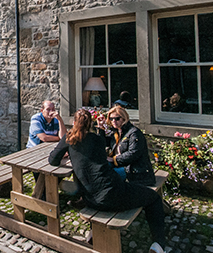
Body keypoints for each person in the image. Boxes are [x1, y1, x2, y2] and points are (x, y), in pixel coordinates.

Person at [49, 109, 167, 253]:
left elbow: (53, 160)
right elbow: (99, 144)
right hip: (113, 193)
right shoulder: (97, 139)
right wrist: (100, 131)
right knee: (153, 198)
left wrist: (68, 154)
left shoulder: (68, 138)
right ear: (90, 124)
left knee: (97, 186)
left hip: (90, 199)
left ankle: (93, 232)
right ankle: (159, 245)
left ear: (74, 123)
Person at [101, 105, 155, 185]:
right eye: (111, 119)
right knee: (99, 169)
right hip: (121, 165)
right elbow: (102, 143)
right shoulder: (116, 133)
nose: (114, 121)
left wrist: (114, 159)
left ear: (124, 118)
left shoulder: (134, 133)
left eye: (117, 118)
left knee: (107, 177)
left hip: (134, 170)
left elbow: (133, 153)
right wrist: (101, 127)